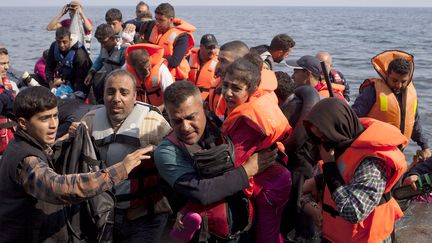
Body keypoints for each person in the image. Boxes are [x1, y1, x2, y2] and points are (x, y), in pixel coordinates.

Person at [0, 86, 153, 242]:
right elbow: (59, 187)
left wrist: (70, 141)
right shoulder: (26, 159)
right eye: (44, 118)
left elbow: (48, 156)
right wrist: (120, 170)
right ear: (23, 123)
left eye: (55, 116)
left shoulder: (20, 143)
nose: (53, 125)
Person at [154, 81, 277, 242]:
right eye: (176, 121)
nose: (185, 127)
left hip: (243, 230)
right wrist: (249, 170)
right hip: (204, 237)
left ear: (205, 108)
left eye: (191, 118)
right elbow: (201, 192)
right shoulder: (166, 151)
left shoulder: (223, 126)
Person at [78, 69, 172, 242]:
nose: (116, 98)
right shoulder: (89, 122)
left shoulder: (153, 122)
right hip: (104, 213)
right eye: (111, 92)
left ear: (135, 96)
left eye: (124, 92)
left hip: (146, 214)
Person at [302, 98, 407, 242]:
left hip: (364, 237)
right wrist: (313, 197)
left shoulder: (372, 163)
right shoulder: (339, 146)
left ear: (337, 128)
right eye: (317, 137)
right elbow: (344, 176)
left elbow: (353, 212)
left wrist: (329, 167)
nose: (322, 143)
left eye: (324, 136)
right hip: (335, 234)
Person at [221, 57, 292, 242]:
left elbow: (231, 163)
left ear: (251, 90)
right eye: (225, 85)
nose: (227, 93)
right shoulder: (252, 105)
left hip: (271, 187)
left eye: (235, 88)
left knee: (266, 237)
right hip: (273, 178)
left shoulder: (249, 121)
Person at [352, 50, 431, 159]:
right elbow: (353, 119)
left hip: (397, 151)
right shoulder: (372, 91)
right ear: (386, 75)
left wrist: (425, 146)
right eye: (394, 80)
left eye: (403, 81)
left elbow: (414, 123)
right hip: (373, 152)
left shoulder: (410, 94)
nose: (398, 85)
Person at [148, 3, 196, 80]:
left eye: (161, 20)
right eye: (156, 19)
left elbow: (174, 61)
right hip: (157, 75)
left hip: (175, 79)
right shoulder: (155, 28)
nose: (157, 23)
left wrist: (149, 58)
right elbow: (138, 23)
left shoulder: (182, 37)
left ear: (171, 20)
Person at [125, 43, 174, 111]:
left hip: (161, 110)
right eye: (142, 70)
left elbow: (172, 97)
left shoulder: (161, 69)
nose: (147, 71)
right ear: (134, 67)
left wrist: (158, 109)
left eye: (148, 67)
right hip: (137, 109)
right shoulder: (126, 71)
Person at [207, 40, 250, 118]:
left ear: (240, 62)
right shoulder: (217, 84)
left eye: (224, 61)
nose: (218, 66)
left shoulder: (250, 92)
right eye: (219, 60)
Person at [84, 24, 126, 104]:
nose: (102, 45)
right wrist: (91, 72)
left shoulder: (123, 49)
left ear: (112, 38)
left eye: (104, 42)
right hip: (111, 78)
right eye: (100, 42)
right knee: (96, 82)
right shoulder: (104, 48)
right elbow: (99, 60)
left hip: (122, 81)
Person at [45, 27, 92, 96]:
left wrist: (77, 94)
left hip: (81, 80)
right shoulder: (54, 47)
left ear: (70, 40)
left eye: (64, 42)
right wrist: (51, 86)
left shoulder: (79, 53)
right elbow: (49, 68)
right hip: (65, 79)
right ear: (56, 40)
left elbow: (82, 77)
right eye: (59, 42)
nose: (61, 45)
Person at [187, 34, 219, 101]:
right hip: (189, 96)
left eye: (214, 47)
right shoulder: (189, 58)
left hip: (207, 100)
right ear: (201, 46)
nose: (212, 50)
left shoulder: (219, 63)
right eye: (209, 48)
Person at [0, 47, 17, 156]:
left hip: (12, 142)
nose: (7, 67)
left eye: (7, 63)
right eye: (2, 64)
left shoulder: (12, 85)